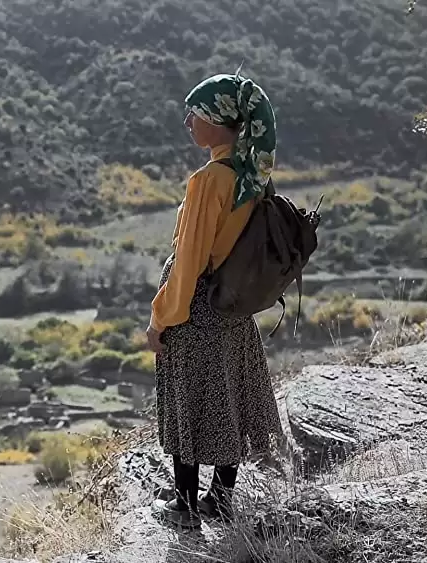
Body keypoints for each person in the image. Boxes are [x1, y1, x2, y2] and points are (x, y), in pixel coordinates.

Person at [145, 73, 283, 528]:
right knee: (228, 399)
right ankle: (220, 500)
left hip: (198, 306)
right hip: (234, 307)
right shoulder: (252, 175)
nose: (188, 122)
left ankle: (184, 508)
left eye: (197, 114)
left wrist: (163, 317)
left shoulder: (209, 180)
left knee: (188, 402)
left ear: (221, 122)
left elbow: (189, 259)